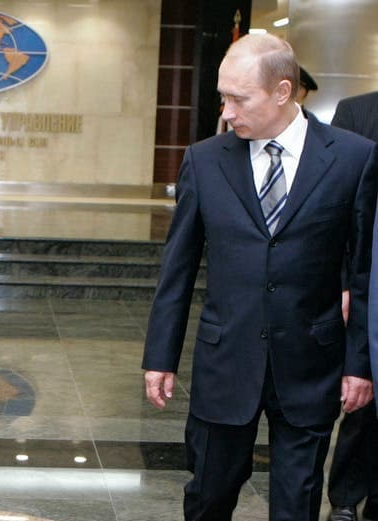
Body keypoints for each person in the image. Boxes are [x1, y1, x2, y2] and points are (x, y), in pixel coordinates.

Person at [142, 33, 378, 521]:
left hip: (311, 366)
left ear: (282, 91)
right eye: (223, 98)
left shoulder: (353, 158)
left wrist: (360, 366)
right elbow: (178, 268)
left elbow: (363, 274)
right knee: (209, 497)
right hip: (226, 362)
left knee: (297, 505)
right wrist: (160, 357)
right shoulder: (204, 160)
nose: (227, 112)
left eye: (239, 99)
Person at [328, 89, 378, 521]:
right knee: (364, 390)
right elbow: (336, 207)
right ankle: (345, 497)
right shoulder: (357, 112)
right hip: (369, 275)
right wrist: (343, 282)